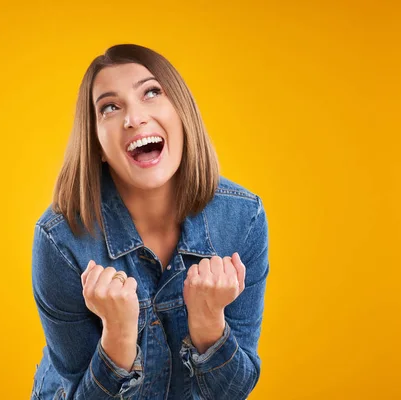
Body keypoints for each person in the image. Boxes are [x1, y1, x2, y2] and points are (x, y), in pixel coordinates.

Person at [30, 44, 269, 400]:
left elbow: (232, 392)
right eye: (110, 107)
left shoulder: (242, 219)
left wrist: (208, 325)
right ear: (96, 144)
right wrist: (117, 338)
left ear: (181, 113)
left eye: (151, 92)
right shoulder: (60, 239)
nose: (134, 117)